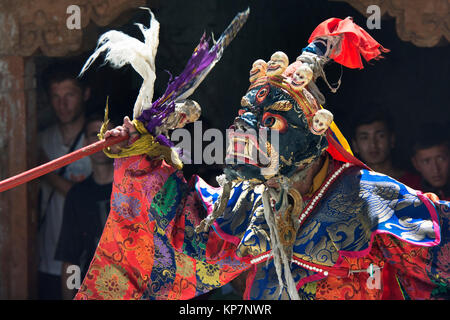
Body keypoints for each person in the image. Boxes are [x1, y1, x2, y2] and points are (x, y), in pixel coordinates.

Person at [74, 12, 449, 300]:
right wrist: (139, 153)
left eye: (270, 120)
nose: (246, 131)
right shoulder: (246, 202)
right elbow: (175, 230)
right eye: (244, 118)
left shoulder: (371, 199)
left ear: (314, 136)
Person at [38, 63, 92, 300]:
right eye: (56, 97)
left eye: (69, 95)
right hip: (46, 256)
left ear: (85, 94)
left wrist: (41, 169)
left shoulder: (98, 143)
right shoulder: (40, 140)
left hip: (87, 256)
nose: (63, 104)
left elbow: (87, 197)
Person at [55, 113, 115, 300]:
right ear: (84, 144)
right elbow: (70, 257)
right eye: (93, 134)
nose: (100, 140)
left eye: (107, 134)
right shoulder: (78, 196)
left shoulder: (132, 188)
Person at [351, 108, 421, 189]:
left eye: (380, 136)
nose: (373, 145)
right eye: (365, 138)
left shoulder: (414, 183)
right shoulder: (349, 185)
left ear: (392, 139)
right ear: (355, 145)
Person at [411, 123, 450, 201]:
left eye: (441, 159)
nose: (436, 169)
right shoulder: (409, 195)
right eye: (426, 161)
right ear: (416, 164)